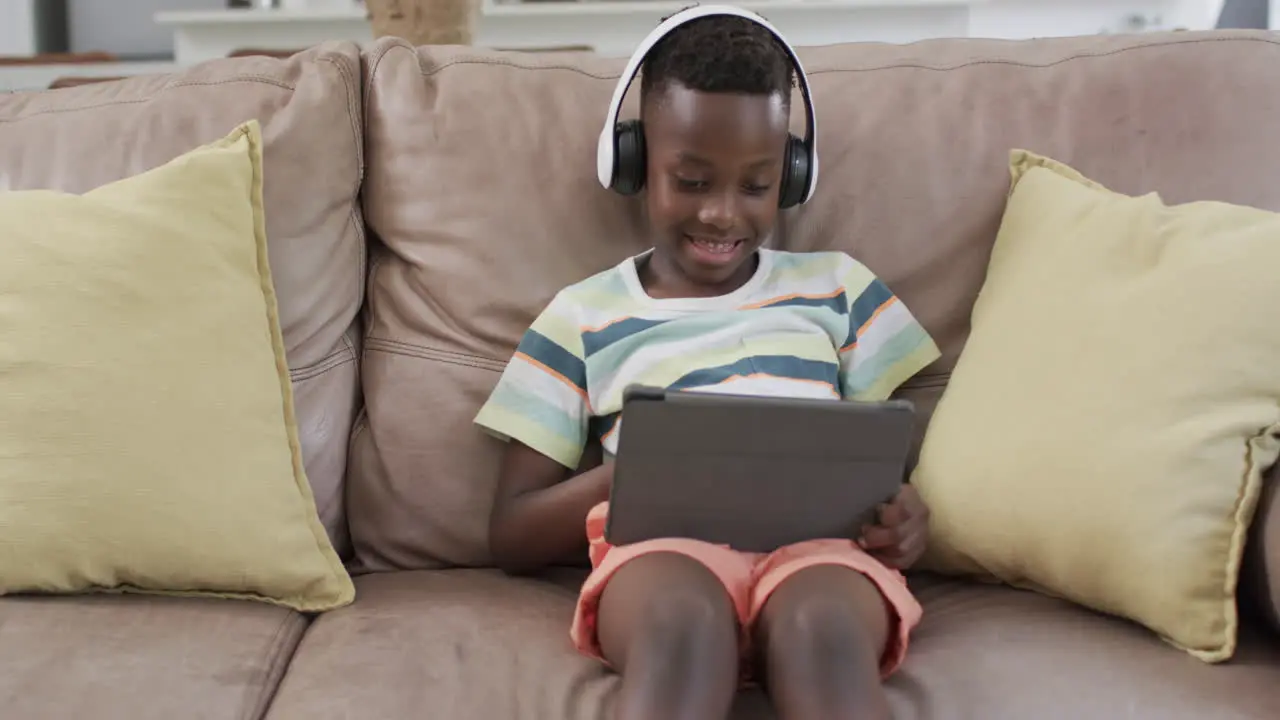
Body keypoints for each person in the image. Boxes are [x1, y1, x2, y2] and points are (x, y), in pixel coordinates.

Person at [474, 8, 941, 720]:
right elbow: (510, 533)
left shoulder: (838, 288)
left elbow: (895, 460)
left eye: (755, 187)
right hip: (663, 557)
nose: (723, 214)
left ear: (792, 176)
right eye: (692, 181)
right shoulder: (582, 316)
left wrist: (907, 518)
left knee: (822, 629)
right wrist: (629, 475)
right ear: (632, 164)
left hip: (821, 555)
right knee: (683, 628)